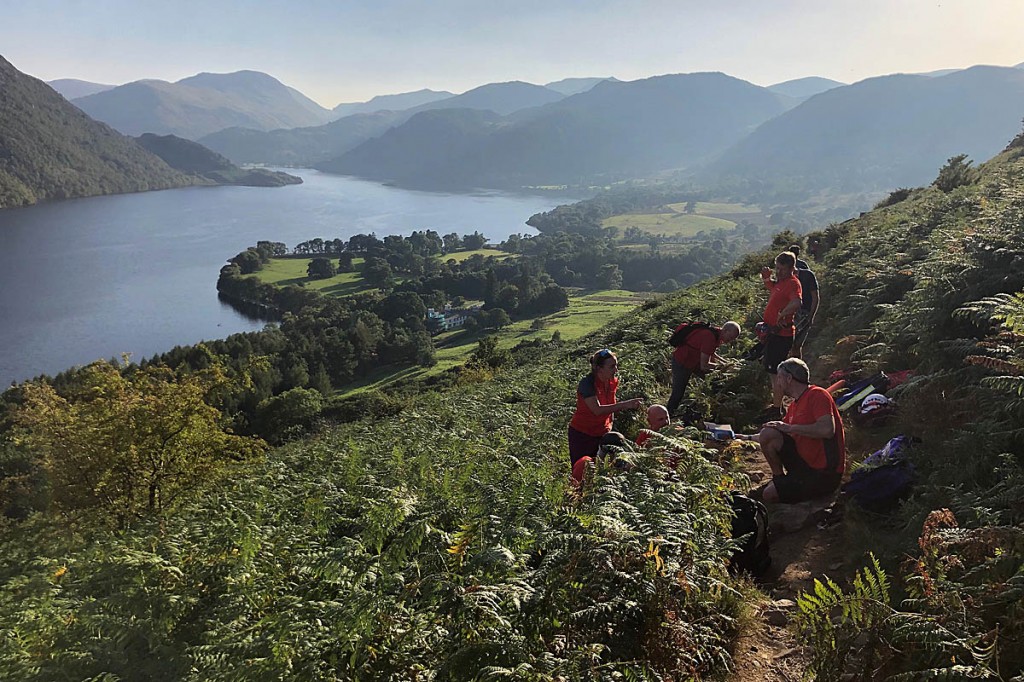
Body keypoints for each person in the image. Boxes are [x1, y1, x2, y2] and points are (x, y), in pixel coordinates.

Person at [755, 358, 845, 503]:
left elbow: (827, 430)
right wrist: (741, 437)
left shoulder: (818, 395)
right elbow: (777, 432)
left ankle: (784, 491)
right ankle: (779, 479)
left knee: (768, 495)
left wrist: (790, 428)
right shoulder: (794, 405)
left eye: (779, 377)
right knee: (768, 434)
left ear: (789, 378)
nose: (777, 383)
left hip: (823, 474)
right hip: (803, 465)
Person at [569, 348, 642, 482]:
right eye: (612, 366)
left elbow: (611, 406)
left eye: (616, 365)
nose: (616, 370)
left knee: (602, 471)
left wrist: (610, 427)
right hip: (582, 434)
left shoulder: (611, 381)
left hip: (602, 433)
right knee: (581, 472)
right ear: (599, 368)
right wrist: (626, 404)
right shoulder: (587, 384)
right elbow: (596, 410)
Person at [666, 321, 741, 416]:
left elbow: (709, 351)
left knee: (716, 381)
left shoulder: (716, 333)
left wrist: (725, 362)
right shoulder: (709, 337)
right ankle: (667, 416)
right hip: (682, 362)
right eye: (730, 337)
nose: (730, 341)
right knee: (678, 393)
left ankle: (714, 406)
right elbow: (704, 366)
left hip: (694, 361)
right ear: (725, 330)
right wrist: (724, 367)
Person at [760, 252, 803, 405]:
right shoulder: (780, 282)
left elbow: (797, 302)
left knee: (775, 374)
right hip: (773, 333)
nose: (779, 272)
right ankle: (780, 404)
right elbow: (771, 287)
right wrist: (766, 277)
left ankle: (777, 407)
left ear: (792, 268)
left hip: (781, 335)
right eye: (777, 268)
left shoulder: (792, 283)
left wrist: (783, 314)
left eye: (782, 269)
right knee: (773, 371)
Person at [788, 245, 820, 360]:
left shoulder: (806, 274)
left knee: (795, 344)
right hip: (800, 313)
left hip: (801, 313)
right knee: (795, 345)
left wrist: (811, 316)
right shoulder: (804, 270)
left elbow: (815, 296)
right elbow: (815, 297)